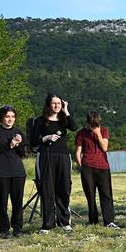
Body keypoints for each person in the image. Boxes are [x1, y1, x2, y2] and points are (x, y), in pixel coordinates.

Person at [31, 93, 77, 233]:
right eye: (54, 103)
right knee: (47, 189)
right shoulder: (40, 121)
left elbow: (74, 127)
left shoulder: (64, 120)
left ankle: (64, 222)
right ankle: (47, 224)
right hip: (46, 156)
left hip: (63, 156)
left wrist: (66, 111)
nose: (56, 106)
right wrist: (46, 138)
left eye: (59, 103)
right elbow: (33, 141)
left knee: (64, 188)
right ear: (48, 104)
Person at [75, 110, 117, 228]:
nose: (94, 126)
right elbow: (78, 152)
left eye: (96, 124)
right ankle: (93, 221)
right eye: (92, 124)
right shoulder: (81, 133)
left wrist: (98, 134)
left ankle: (109, 221)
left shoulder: (104, 130)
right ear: (87, 122)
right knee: (90, 195)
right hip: (87, 167)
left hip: (103, 166)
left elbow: (105, 148)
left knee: (106, 194)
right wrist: (81, 166)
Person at [0, 105, 27, 238]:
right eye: (7, 116)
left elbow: (22, 154)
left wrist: (18, 144)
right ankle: (4, 229)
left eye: (12, 116)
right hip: (0, 172)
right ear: (1, 118)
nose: (10, 119)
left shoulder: (19, 132)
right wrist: (10, 145)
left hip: (18, 172)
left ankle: (17, 228)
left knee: (17, 202)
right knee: (1, 203)